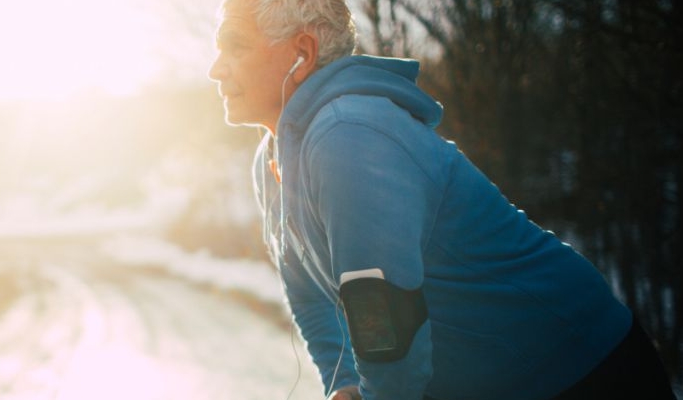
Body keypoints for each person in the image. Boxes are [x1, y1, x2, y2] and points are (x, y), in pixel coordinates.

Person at [207, 0, 678, 399]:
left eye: (236, 46)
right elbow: (311, 299)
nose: (215, 69)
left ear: (302, 52)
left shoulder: (347, 135)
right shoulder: (271, 161)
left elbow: (386, 326)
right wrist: (345, 384)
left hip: (581, 368)